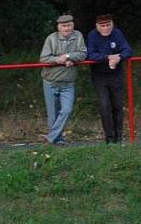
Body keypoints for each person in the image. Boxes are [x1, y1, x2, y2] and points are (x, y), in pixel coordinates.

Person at [39, 15, 87, 146]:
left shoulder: (78, 36)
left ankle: (50, 138)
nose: (67, 28)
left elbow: (83, 54)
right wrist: (57, 60)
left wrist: (68, 56)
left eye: (69, 25)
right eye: (63, 26)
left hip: (68, 82)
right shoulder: (51, 39)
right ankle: (57, 140)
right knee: (53, 114)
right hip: (51, 81)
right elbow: (43, 59)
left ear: (73, 25)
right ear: (58, 27)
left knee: (66, 110)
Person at [86, 15, 132, 144]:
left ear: (112, 24)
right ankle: (109, 137)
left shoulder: (117, 33)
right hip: (99, 75)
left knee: (118, 105)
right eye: (103, 26)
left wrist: (120, 57)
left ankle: (119, 137)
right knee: (105, 105)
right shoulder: (92, 35)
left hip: (116, 74)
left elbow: (128, 49)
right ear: (97, 26)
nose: (106, 28)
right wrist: (108, 58)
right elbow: (91, 54)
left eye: (108, 25)